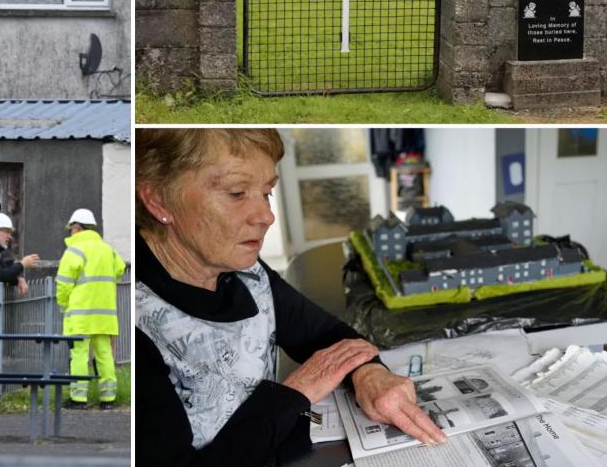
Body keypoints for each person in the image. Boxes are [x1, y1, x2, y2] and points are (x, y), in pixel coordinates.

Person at [135, 129, 447, 466]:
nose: (266, 216)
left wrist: (369, 375)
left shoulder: (246, 272)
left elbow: (324, 335)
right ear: (159, 200)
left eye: (267, 191)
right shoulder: (137, 322)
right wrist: (294, 393)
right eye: (237, 192)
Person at [56, 208, 127, 410]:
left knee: (79, 355)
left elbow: (63, 283)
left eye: (71, 229)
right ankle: (108, 399)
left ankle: (78, 398)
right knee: (104, 354)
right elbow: (120, 269)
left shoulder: (74, 250)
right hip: (104, 315)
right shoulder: (107, 249)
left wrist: (63, 306)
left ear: (76, 228)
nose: (70, 233)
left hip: (80, 314)